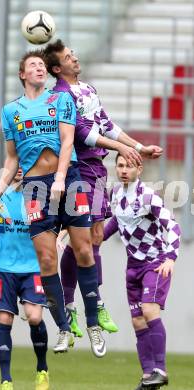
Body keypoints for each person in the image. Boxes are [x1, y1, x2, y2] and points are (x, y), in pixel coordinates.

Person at [0, 49, 106, 357]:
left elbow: (68, 141)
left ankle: (92, 323)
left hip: (71, 178)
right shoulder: (11, 111)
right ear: (23, 74)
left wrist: (63, 178)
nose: (39, 68)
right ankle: (64, 328)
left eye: (42, 65)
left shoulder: (60, 99)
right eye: (33, 65)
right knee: (47, 261)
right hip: (35, 187)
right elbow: (12, 158)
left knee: (83, 250)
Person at [43, 39, 163, 337]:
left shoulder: (87, 88)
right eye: (69, 57)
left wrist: (137, 146)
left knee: (93, 237)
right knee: (82, 237)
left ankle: (78, 305)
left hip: (96, 167)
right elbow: (85, 133)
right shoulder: (61, 95)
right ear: (57, 68)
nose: (75, 58)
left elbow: (106, 123)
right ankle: (79, 305)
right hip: (77, 167)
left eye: (73, 54)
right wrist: (125, 148)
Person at [103, 154, 181, 390]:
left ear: (139, 168)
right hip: (133, 267)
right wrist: (95, 240)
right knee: (137, 321)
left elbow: (173, 225)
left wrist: (171, 257)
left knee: (148, 310)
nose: (123, 170)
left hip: (154, 263)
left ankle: (160, 369)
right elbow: (117, 221)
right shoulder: (115, 194)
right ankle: (148, 376)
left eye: (128, 166)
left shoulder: (148, 196)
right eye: (120, 165)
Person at [0, 169, 49, 390]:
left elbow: (60, 223)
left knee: (34, 316)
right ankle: (6, 380)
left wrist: (56, 241)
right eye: (15, 162)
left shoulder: (38, 194)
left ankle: (42, 369)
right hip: (2, 269)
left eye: (23, 163)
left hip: (33, 268)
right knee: (4, 320)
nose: (19, 168)